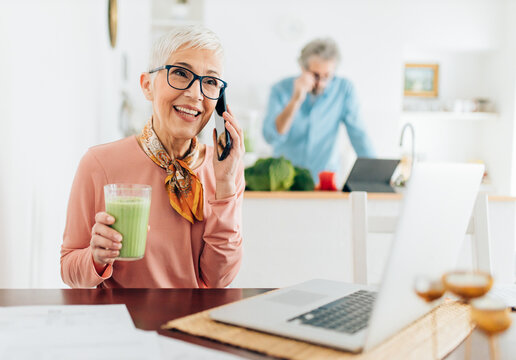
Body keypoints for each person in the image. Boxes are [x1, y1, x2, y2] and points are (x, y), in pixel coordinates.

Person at [61, 26, 245, 288]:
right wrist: (96, 257)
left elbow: (219, 280)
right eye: (181, 73)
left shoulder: (225, 170)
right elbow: (69, 269)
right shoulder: (99, 163)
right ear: (147, 86)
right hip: (124, 324)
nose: (195, 94)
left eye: (211, 82)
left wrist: (225, 184)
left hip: (191, 323)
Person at [262, 38, 375, 183]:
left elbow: (359, 135)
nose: (321, 83)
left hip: (325, 182)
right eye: (315, 75)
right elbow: (271, 136)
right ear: (303, 69)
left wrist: (376, 173)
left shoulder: (344, 89)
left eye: (327, 76)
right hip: (286, 181)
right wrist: (296, 99)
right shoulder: (280, 90)